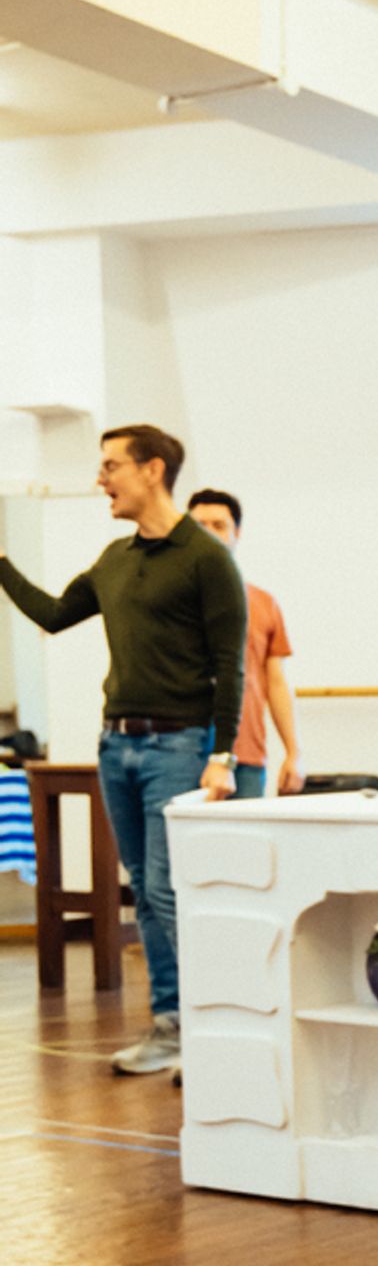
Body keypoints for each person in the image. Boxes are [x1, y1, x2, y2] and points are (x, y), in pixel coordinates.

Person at [0, 424, 246, 1076]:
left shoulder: (207, 558)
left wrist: (221, 755)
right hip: (118, 747)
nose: (100, 479)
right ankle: (171, 1026)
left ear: (153, 469)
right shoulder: (115, 559)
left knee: (167, 890)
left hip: (180, 747)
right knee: (144, 886)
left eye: (111, 466)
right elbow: (53, 615)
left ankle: (210, 1026)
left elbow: (231, 668)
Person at [187, 490, 305, 801]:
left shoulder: (263, 603)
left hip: (247, 756)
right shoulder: (173, 599)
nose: (210, 534)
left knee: (244, 846)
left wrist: (294, 752)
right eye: (200, 526)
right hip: (184, 752)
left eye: (219, 525)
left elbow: (276, 682)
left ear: (236, 533)